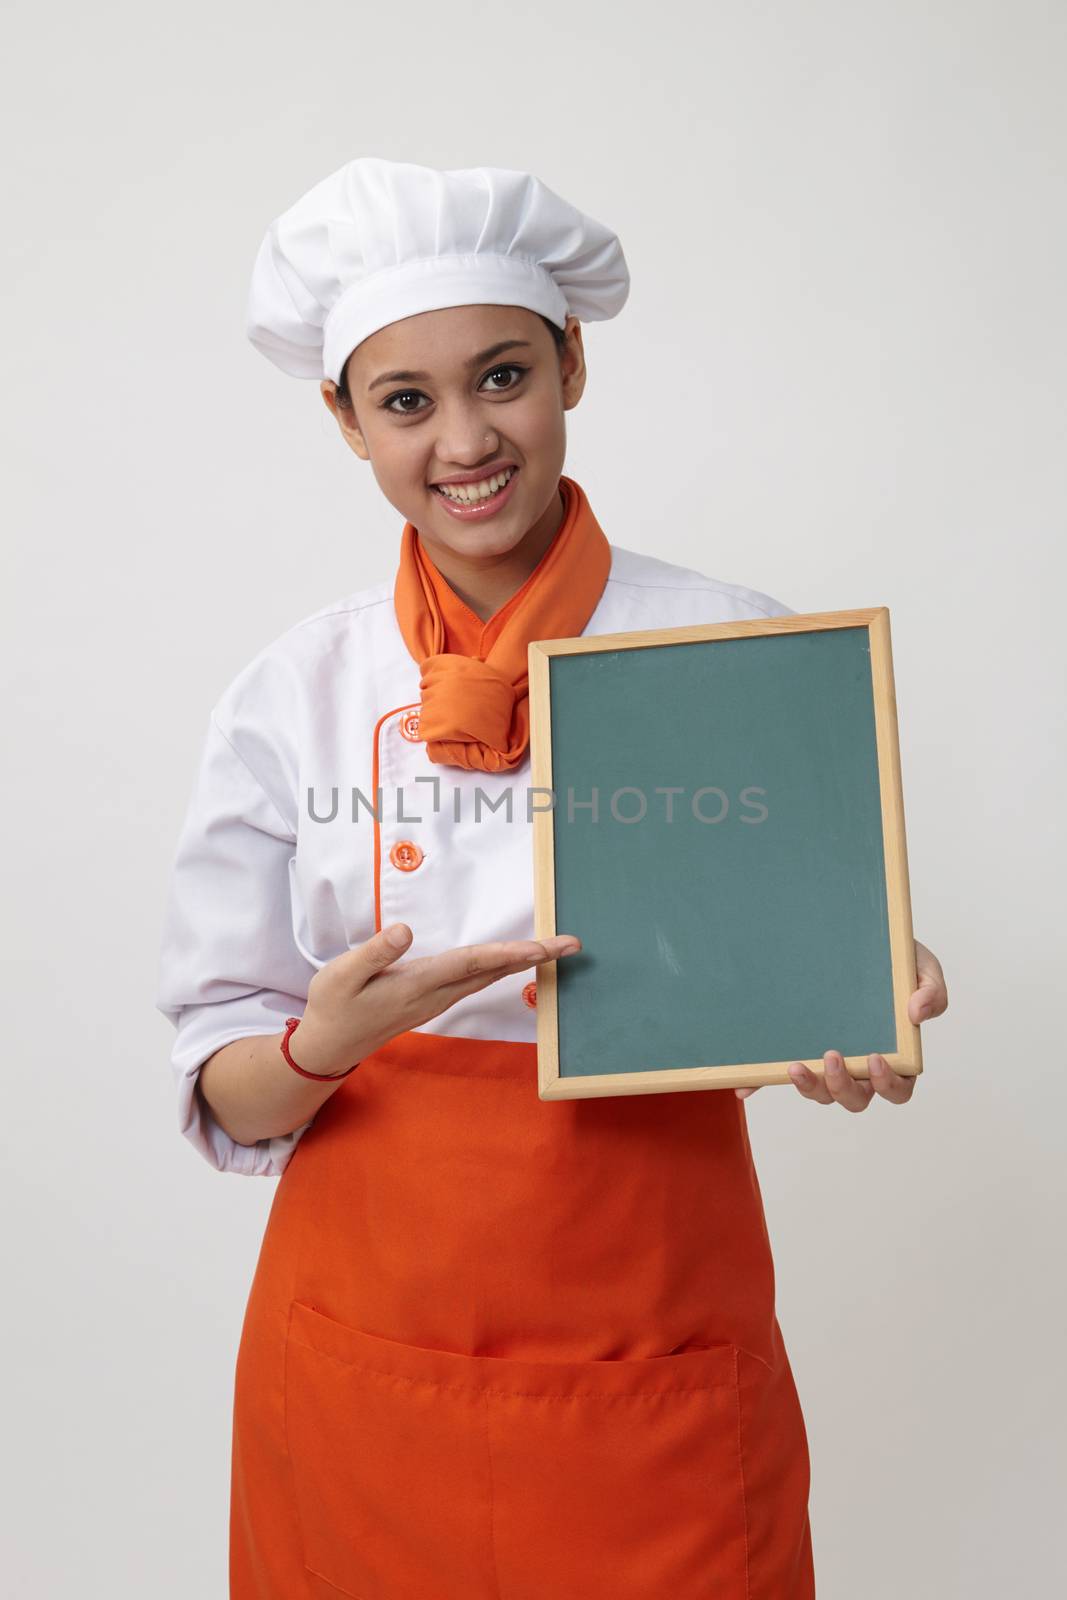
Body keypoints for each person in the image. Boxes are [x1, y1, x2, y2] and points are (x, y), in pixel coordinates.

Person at [155, 156, 948, 1599]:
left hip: (653, 1331)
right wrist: (321, 1044)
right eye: (405, 401)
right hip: (360, 1341)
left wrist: (854, 1009)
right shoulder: (295, 692)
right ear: (344, 421)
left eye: (504, 375)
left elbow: (792, 971)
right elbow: (221, 1082)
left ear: (573, 362)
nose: (465, 438)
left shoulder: (730, 648)